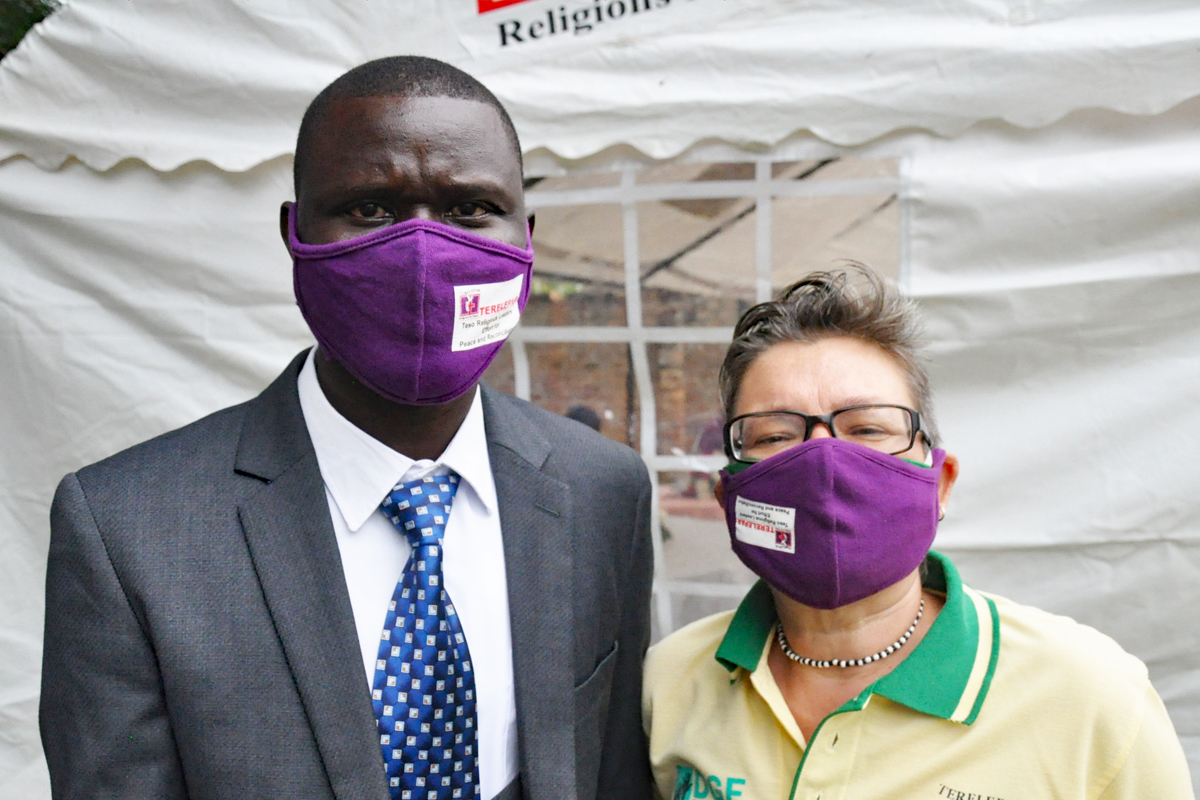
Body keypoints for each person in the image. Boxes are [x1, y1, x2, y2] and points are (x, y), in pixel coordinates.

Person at [41, 56, 654, 800]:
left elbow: (613, 768)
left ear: (524, 240)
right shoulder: (128, 528)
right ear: (294, 232)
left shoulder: (603, 491)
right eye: (370, 209)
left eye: (470, 209)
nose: (423, 249)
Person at [642, 267, 1193, 799]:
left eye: (868, 429)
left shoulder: (1093, 698)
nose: (823, 461)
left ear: (941, 485)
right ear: (728, 497)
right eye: (775, 435)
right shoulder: (669, 683)